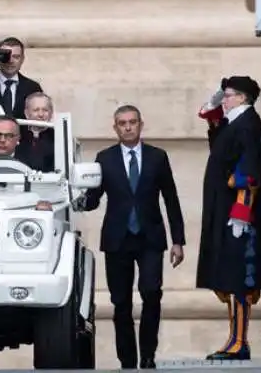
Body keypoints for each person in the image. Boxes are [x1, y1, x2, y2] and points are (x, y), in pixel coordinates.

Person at [80, 105, 186, 369]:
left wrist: (178, 240)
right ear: (115, 127)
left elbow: (171, 199)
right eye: (122, 123)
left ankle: (148, 356)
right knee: (121, 303)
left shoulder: (157, 157)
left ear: (141, 124)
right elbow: (93, 199)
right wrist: (78, 195)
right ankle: (127, 360)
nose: (128, 127)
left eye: (132, 122)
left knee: (152, 294)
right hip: (118, 239)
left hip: (150, 237)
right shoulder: (104, 158)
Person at [196, 76, 261, 361]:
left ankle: (240, 341)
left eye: (228, 95)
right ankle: (233, 338)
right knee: (226, 276)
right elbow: (214, 130)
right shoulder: (232, 121)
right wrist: (214, 104)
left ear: (242, 98)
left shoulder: (249, 122)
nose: (223, 99)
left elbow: (249, 171)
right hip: (223, 210)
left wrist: (241, 212)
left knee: (239, 278)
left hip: (237, 215)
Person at [0, 37, 43, 120]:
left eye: (16, 57)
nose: (10, 61)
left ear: (22, 59)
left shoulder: (33, 88)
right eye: (6, 56)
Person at [16, 92, 55, 172]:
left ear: (51, 114)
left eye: (45, 110)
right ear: (26, 114)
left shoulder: (59, 137)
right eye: (36, 110)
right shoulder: (16, 136)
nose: (41, 114)